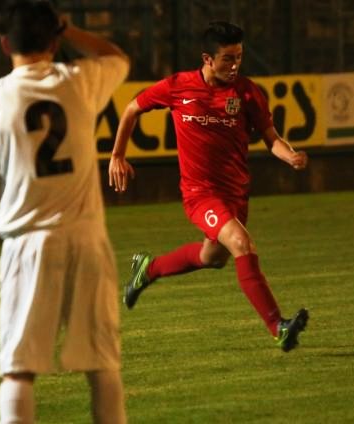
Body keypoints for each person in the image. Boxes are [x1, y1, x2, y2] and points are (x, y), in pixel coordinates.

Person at [0, 1, 130, 422]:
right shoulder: (80, 80)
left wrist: (6, 184)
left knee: (19, 368)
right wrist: (73, 31)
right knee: (102, 362)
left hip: (27, 244)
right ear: (55, 39)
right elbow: (116, 57)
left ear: (4, 42)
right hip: (87, 238)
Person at [108, 21, 310, 353]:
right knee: (241, 243)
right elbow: (132, 108)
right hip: (199, 193)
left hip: (235, 193)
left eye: (239, 57)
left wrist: (289, 157)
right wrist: (117, 155)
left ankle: (148, 269)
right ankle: (279, 326)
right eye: (227, 59)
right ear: (207, 59)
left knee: (212, 256)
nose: (234, 66)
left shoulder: (247, 93)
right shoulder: (178, 87)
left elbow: (271, 139)